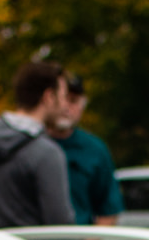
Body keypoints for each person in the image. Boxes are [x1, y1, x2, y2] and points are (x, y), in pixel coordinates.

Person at [0, 62, 76, 229]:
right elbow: (60, 224)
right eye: (63, 97)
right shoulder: (47, 153)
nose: (65, 106)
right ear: (48, 97)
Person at [47, 74, 121, 227]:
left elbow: (109, 211)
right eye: (61, 99)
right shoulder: (27, 144)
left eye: (73, 101)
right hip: (31, 239)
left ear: (83, 105)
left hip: (76, 237)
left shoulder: (95, 150)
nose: (66, 107)